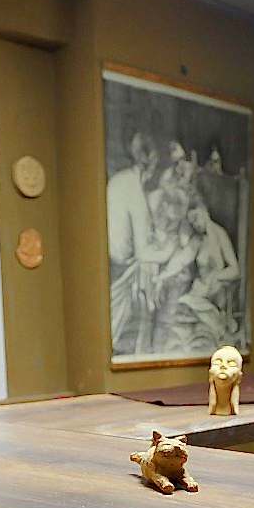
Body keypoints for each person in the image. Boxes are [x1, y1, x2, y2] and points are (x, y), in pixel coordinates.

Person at [107, 133, 162, 352]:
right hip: (121, 268)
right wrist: (168, 251)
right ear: (151, 161)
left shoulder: (120, 179)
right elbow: (141, 251)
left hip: (115, 263)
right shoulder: (134, 190)